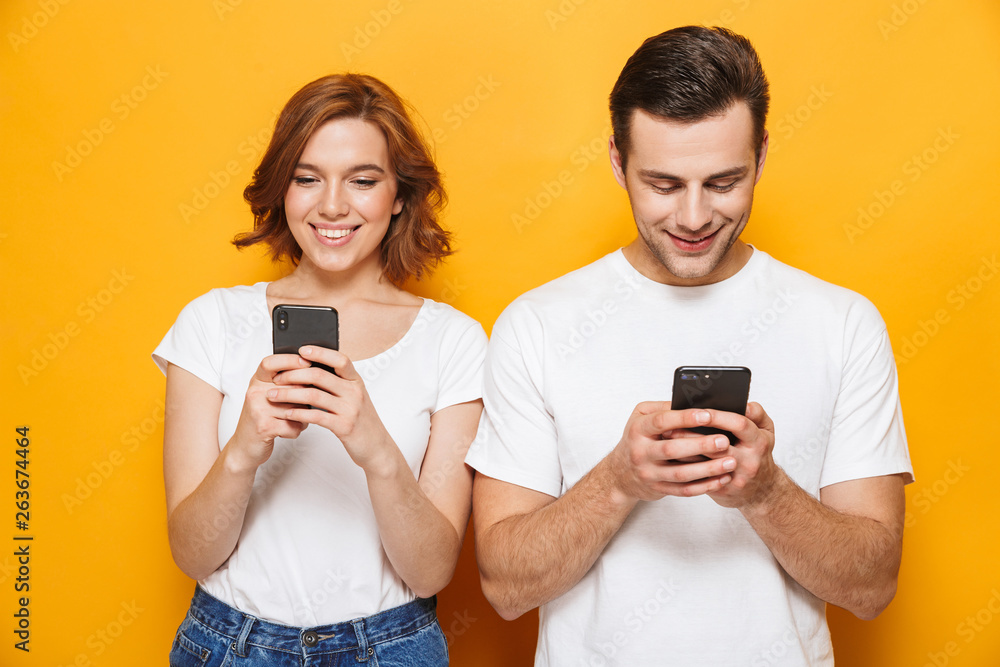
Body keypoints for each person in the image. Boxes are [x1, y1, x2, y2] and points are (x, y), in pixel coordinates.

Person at [466, 26, 913, 666]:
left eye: (724, 182)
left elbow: (872, 587)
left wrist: (765, 493)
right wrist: (619, 481)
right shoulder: (536, 324)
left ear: (761, 155)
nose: (695, 217)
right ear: (618, 161)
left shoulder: (842, 324)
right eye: (665, 185)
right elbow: (505, 587)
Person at [153, 73, 485, 666]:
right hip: (231, 645)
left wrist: (374, 445)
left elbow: (431, 571)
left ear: (400, 195)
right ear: (283, 189)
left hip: (389, 647)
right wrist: (244, 448)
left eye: (362, 180)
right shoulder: (210, 322)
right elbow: (192, 555)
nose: (333, 205)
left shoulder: (453, 341)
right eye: (308, 179)